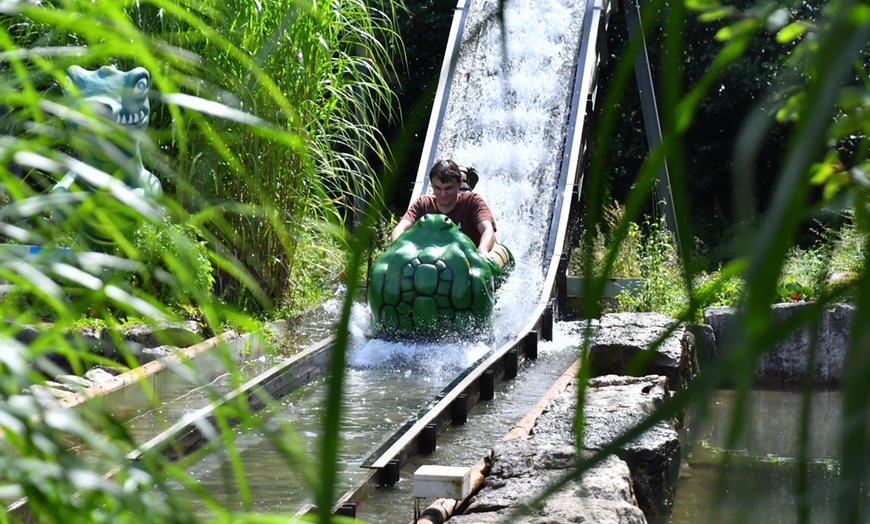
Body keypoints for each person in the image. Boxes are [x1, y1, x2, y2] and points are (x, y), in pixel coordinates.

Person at [390, 159, 497, 257]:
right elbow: (400, 229)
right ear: (432, 185)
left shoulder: (472, 201)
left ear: (459, 184)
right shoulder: (423, 204)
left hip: (468, 260)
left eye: (448, 188)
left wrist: (482, 250)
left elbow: (487, 229)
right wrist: (400, 248)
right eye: (438, 188)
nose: (443, 194)